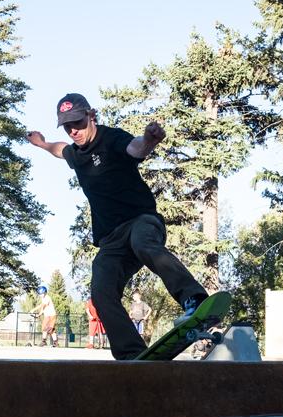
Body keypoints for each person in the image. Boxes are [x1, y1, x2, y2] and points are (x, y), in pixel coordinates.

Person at [26, 93, 209, 360]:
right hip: (111, 241)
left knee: (144, 243)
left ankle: (194, 300)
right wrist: (41, 143)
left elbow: (134, 148)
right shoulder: (75, 154)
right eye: (67, 126)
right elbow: (59, 149)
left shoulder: (110, 138)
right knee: (101, 292)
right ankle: (131, 354)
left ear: (91, 115)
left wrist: (148, 141)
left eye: (77, 122)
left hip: (140, 221)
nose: (73, 130)